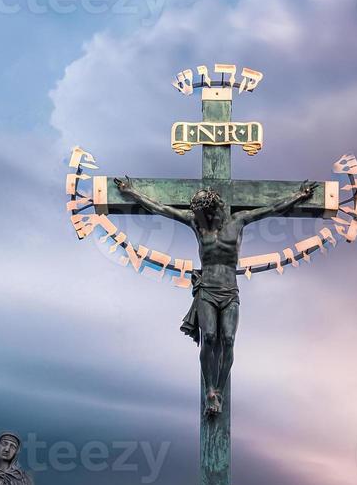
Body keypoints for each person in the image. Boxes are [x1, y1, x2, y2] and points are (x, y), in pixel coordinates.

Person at [113, 178, 317, 418]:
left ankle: (219, 388)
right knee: (209, 337)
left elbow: (273, 208)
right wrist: (133, 193)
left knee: (228, 340)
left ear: (218, 208)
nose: (205, 219)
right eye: (202, 215)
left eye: (208, 214)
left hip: (229, 290)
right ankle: (210, 389)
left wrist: (299, 195)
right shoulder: (197, 225)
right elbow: (161, 208)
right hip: (208, 289)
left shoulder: (239, 221)